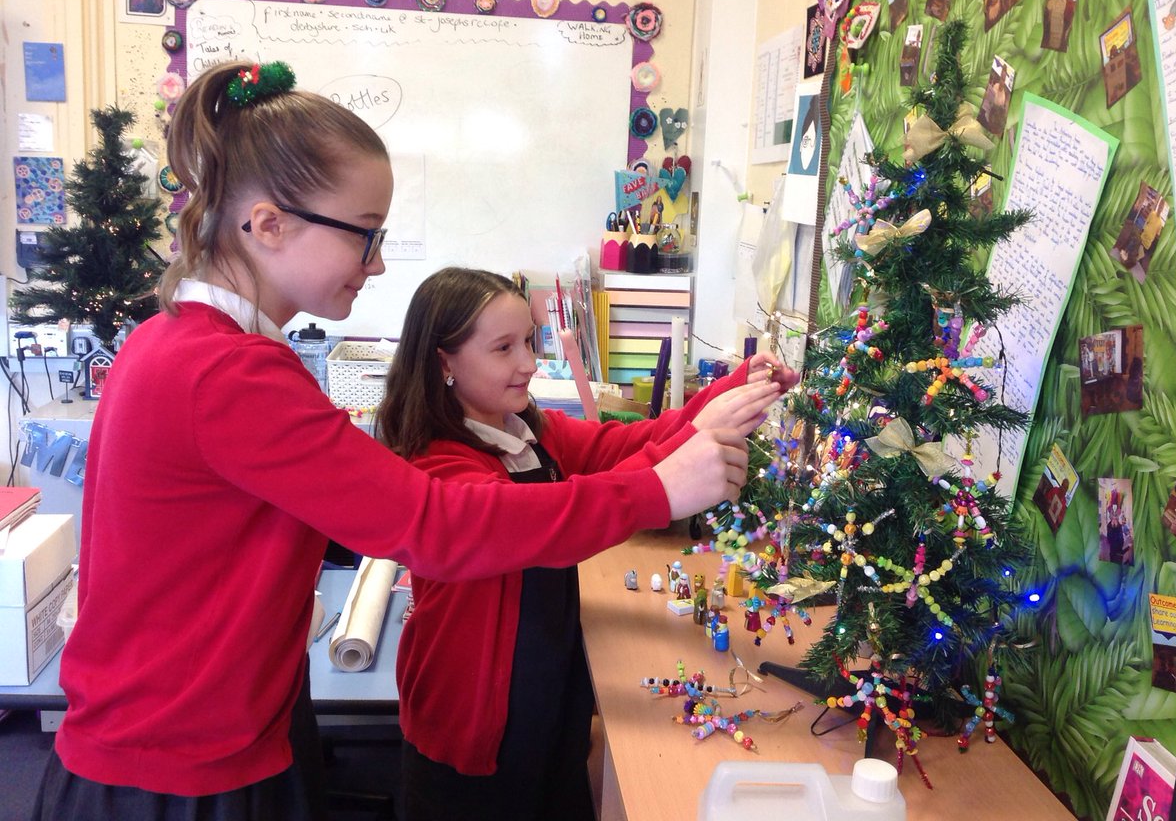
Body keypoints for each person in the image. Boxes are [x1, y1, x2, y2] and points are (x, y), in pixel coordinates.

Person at [34, 61, 751, 821]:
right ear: (270, 224)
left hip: (208, 733)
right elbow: (435, 524)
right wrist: (661, 491)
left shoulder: (177, 340)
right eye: (365, 237)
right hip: (179, 766)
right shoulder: (226, 372)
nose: (376, 265)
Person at [373, 266, 798, 821]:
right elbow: (545, 519)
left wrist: (726, 393)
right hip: (472, 731)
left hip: (547, 705)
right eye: (504, 348)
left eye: (529, 340)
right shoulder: (439, 465)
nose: (527, 362)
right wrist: (662, 486)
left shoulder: (527, 431)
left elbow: (622, 445)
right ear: (444, 361)